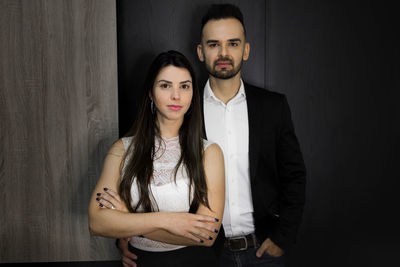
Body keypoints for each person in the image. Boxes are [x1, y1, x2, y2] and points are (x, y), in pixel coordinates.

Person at [118, 3, 306, 267]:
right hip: (203, 254)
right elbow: (147, 171)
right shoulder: (182, 108)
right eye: (214, 44)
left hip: (263, 250)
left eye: (233, 43)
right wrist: (127, 234)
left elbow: (294, 175)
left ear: (246, 50)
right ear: (201, 51)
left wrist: (283, 238)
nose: (224, 53)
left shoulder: (272, 107)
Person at [88, 50, 225, 267]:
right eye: (165, 85)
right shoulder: (122, 149)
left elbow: (206, 236)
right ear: (150, 92)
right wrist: (169, 220)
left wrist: (130, 220)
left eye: (184, 86)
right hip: (139, 262)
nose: (176, 96)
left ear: (192, 94)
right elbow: (97, 222)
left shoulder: (209, 152)